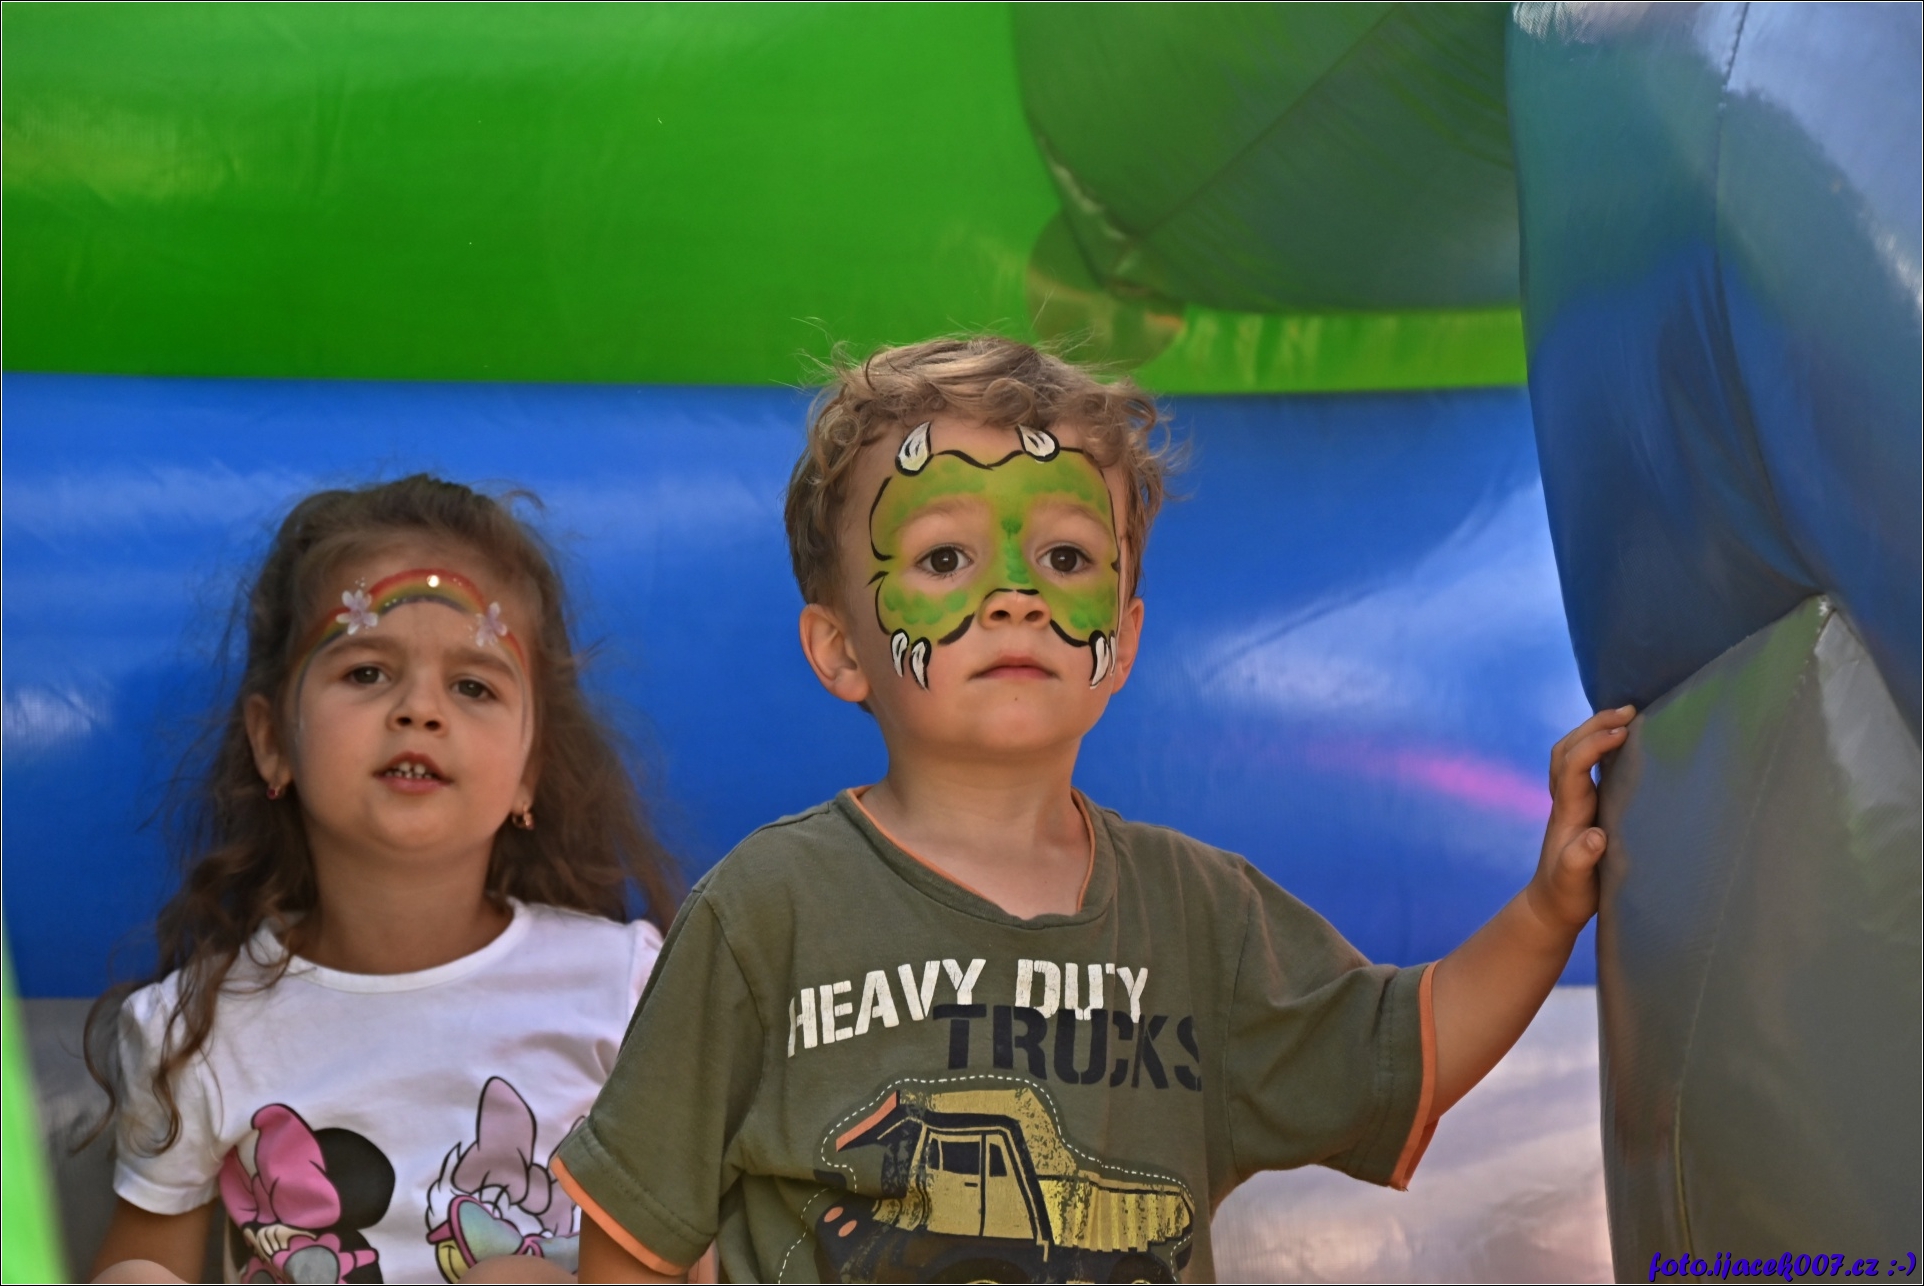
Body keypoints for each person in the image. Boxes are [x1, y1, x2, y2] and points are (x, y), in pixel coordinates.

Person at [554, 338, 1635, 1284]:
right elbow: (635, 1233)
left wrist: (1547, 910)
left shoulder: (1199, 913)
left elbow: (1402, 1051)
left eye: (1064, 557)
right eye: (945, 558)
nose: (1014, 596)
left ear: (1120, 639)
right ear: (840, 648)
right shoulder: (765, 908)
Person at [87, 476, 681, 1285]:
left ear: (527, 771)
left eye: (473, 685)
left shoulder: (621, 991)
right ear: (273, 742)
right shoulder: (197, 1031)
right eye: (367, 672)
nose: (419, 710)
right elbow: (144, 1263)